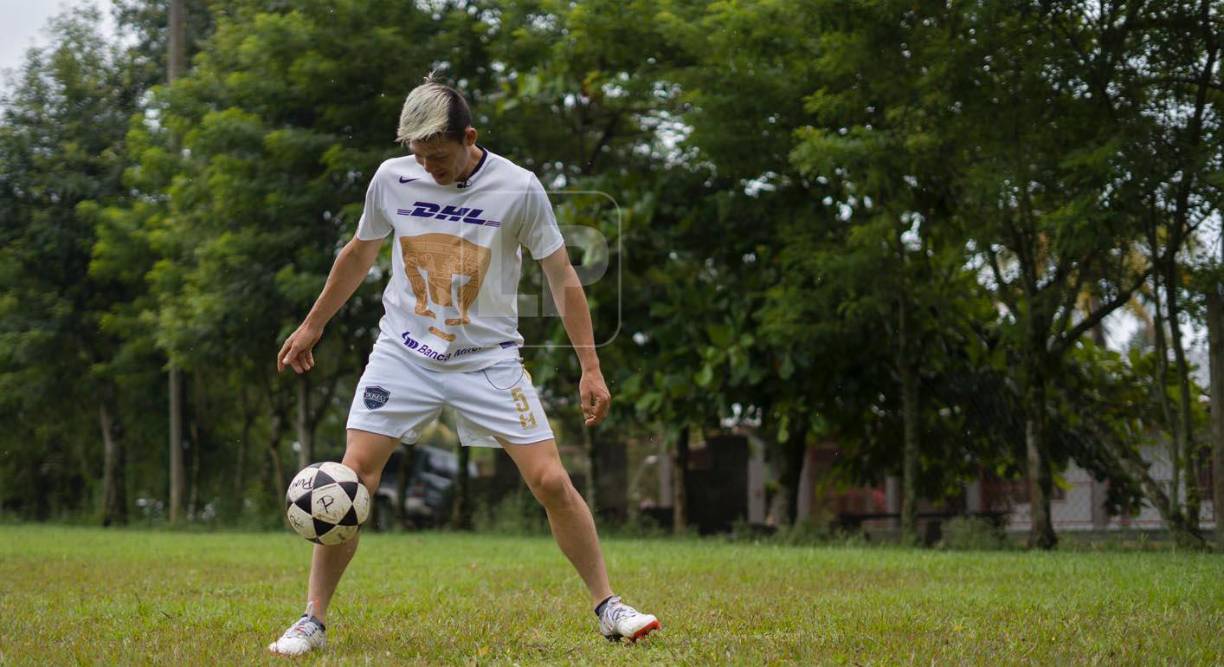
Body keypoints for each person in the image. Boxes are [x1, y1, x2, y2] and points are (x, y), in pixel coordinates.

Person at [267, 75, 660, 656]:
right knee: (353, 479)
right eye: (419, 157)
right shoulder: (391, 179)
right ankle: (311, 621)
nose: (429, 168)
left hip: (487, 359)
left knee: (551, 480)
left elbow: (562, 277)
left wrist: (590, 368)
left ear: (469, 137)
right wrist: (312, 323)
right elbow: (358, 253)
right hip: (402, 351)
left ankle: (609, 606)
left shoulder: (519, 188)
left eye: (440, 156)